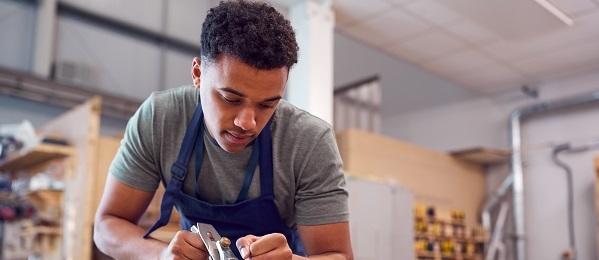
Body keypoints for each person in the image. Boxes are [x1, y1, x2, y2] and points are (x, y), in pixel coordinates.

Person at [93, 0, 353, 259]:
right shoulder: (160, 119)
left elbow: (338, 256)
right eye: (231, 99)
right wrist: (160, 255)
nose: (247, 122)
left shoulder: (309, 142)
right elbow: (107, 225)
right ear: (197, 74)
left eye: (267, 104)